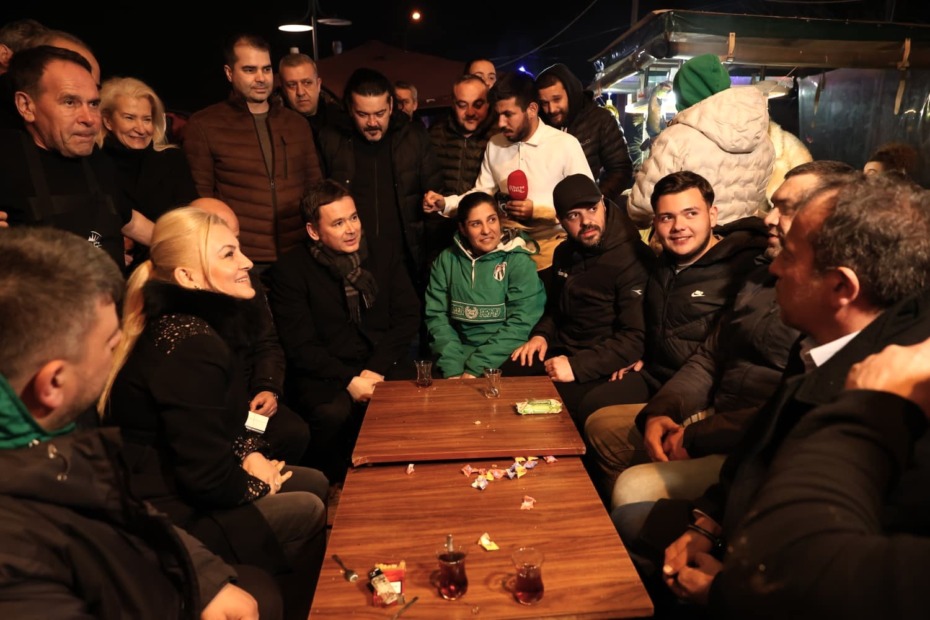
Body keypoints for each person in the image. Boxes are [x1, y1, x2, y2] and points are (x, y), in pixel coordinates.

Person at [616, 172, 930, 617]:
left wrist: (726, 591)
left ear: (842, 288)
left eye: (792, 255)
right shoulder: (822, 345)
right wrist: (706, 523)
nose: (776, 267)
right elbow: (759, 454)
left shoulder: (889, 390)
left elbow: (826, 573)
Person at [0, 226, 275, 619]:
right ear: (54, 382)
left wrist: (205, 578)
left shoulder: (50, 434)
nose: (121, 352)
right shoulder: (16, 540)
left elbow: (120, 510)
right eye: (111, 344)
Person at [99, 207, 327, 620]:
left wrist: (251, 453)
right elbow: (204, 478)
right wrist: (259, 485)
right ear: (187, 277)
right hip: (167, 512)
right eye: (228, 254)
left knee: (314, 480)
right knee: (308, 508)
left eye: (239, 249)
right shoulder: (190, 343)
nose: (248, 262)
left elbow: (222, 421)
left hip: (183, 486)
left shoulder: (194, 325)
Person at [585, 161, 854, 508]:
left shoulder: (834, 299)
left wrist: (695, 436)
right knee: (600, 423)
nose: (769, 218)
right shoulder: (761, 274)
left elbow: (787, 411)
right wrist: (661, 410)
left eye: (786, 208)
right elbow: (709, 356)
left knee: (632, 488)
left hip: (759, 442)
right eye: (666, 217)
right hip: (718, 411)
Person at [707, 335, 930, 619]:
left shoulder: (890, 376)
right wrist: (708, 519)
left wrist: (869, 408)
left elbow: (790, 562)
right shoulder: (807, 350)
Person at [578, 171, 768, 422]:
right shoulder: (663, 263)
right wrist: (643, 355)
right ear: (655, 223)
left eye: (691, 213)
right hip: (656, 374)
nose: (678, 226)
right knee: (588, 404)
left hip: (702, 389)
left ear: (712, 215)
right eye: (667, 217)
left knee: (601, 419)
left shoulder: (743, 269)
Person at [265, 179, 420, 483]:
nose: (351, 229)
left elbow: (408, 316)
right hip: (326, 371)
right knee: (332, 413)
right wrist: (349, 380)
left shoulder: (382, 252)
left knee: (417, 393)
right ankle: (337, 485)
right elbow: (300, 346)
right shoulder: (291, 271)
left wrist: (374, 370)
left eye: (354, 218)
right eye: (338, 223)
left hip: (380, 360)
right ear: (314, 231)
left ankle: (403, 478)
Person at [510, 174, 654, 422]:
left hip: (603, 360)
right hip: (562, 349)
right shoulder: (564, 252)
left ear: (603, 203)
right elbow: (555, 310)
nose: (586, 221)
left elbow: (635, 337)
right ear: (560, 220)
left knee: (549, 411)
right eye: (574, 215)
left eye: (592, 209)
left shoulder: (633, 257)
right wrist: (541, 335)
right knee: (504, 378)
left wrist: (576, 367)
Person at [0, 45, 154, 269]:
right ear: (26, 106)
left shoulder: (98, 161)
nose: (89, 119)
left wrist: (190, 245)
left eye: (93, 104)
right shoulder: (7, 158)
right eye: (70, 102)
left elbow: (129, 220)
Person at [424, 71, 592, 271]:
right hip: (506, 256)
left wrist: (538, 211)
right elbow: (481, 194)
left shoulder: (565, 145)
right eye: (498, 115)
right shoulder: (495, 144)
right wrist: (445, 203)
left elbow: (587, 202)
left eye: (508, 115)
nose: (501, 123)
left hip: (554, 255)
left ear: (532, 109)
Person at [191, 196, 312, 466]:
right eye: (228, 251)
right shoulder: (181, 325)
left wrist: (267, 388)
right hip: (216, 417)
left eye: (238, 242)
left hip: (249, 400)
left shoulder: (247, 281)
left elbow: (267, 342)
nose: (246, 261)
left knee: (293, 432)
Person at [183, 33, 322, 267]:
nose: (261, 78)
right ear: (229, 73)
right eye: (250, 70)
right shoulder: (204, 125)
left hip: (298, 253)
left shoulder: (296, 124)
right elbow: (200, 200)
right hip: (240, 257)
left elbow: (315, 187)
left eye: (266, 69)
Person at [317, 66, 443, 287]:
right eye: (363, 114)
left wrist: (432, 259)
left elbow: (435, 200)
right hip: (352, 261)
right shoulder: (331, 139)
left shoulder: (414, 137)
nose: (372, 123)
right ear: (350, 108)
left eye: (380, 113)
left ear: (391, 106)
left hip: (406, 261)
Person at [628, 53, 775, 228]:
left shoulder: (676, 138)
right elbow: (758, 199)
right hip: (743, 238)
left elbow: (642, 206)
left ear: (684, 92)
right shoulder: (763, 140)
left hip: (691, 238)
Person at [425, 191, 545, 378]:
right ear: (463, 229)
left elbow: (521, 322)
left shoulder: (518, 260)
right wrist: (452, 369)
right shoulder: (446, 260)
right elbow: (437, 317)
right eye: (476, 224)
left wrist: (476, 369)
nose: (486, 230)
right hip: (457, 355)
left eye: (491, 220)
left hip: (504, 355)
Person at [97, 76, 198, 267]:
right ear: (108, 121)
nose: (141, 129)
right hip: (111, 266)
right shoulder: (94, 163)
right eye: (129, 118)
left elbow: (187, 219)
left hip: (171, 262)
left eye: (147, 119)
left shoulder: (172, 159)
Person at [535, 63, 633, 208]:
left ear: (571, 93)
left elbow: (621, 169)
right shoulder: (539, 124)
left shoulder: (601, 119)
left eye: (557, 99)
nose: (551, 109)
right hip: (544, 210)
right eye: (544, 103)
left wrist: (594, 202)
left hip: (586, 211)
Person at [277, 51, 344, 158]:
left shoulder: (340, 119)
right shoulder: (275, 127)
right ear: (283, 90)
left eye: (307, 83)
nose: (300, 92)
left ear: (318, 84)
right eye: (292, 85)